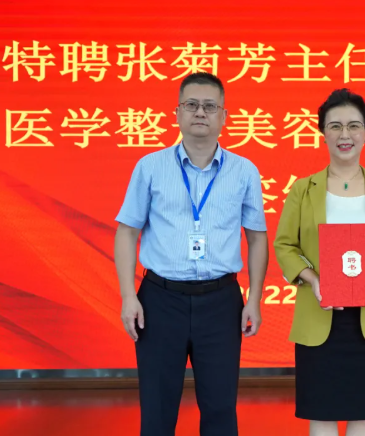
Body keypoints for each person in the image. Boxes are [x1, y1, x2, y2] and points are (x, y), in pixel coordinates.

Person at [114, 72, 269, 436]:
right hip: (159, 300)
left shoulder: (244, 171)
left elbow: (257, 238)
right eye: (192, 104)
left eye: (210, 106)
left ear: (224, 116)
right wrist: (128, 296)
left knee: (220, 408)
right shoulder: (150, 167)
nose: (200, 112)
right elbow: (127, 232)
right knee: (157, 407)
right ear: (178, 113)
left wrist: (254, 299)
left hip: (221, 301)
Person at [274, 88, 365, 436]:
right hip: (319, 315)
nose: (344, 134)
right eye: (335, 126)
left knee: (364, 414)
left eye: (354, 125)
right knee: (321, 413)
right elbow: (285, 245)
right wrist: (312, 279)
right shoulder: (303, 189)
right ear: (323, 133)